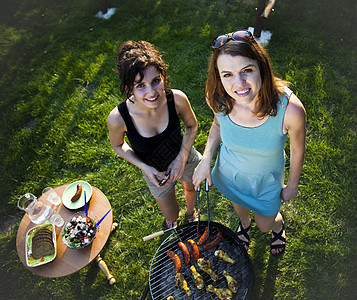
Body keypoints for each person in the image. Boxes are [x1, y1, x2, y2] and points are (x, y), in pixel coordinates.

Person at [192, 30, 306, 255]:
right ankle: (244, 226)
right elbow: (217, 125)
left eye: (247, 70)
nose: (239, 84)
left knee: (265, 226)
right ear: (219, 76)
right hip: (230, 173)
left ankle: (277, 225)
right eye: (228, 75)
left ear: (261, 67)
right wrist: (206, 158)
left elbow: (297, 151)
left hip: (266, 182)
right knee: (241, 210)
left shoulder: (290, 110)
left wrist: (292, 185)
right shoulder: (217, 96)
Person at [107, 40, 201, 229]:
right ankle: (173, 218)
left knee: (191, 189)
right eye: (140, 85)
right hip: (155, 174)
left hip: (185, 157)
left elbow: (192, 126)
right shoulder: (118, 118)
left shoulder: (177, 99)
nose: (152, 92)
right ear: (128, 88)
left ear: (163, 77)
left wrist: (181, 159)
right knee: (171, 214)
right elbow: (117, 145)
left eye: (156, 81)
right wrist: (144, 167)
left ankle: (191, 213)